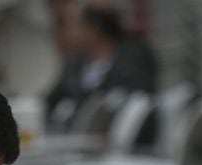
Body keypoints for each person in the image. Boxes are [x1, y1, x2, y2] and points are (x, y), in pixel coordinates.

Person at [45, 2, 157, 139]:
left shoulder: (134, 60)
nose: (66, 30)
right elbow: (50, 105)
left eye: (72, 23)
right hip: (76, 146)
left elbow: (141, 107)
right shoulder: (73, 66)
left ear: (93, 29)